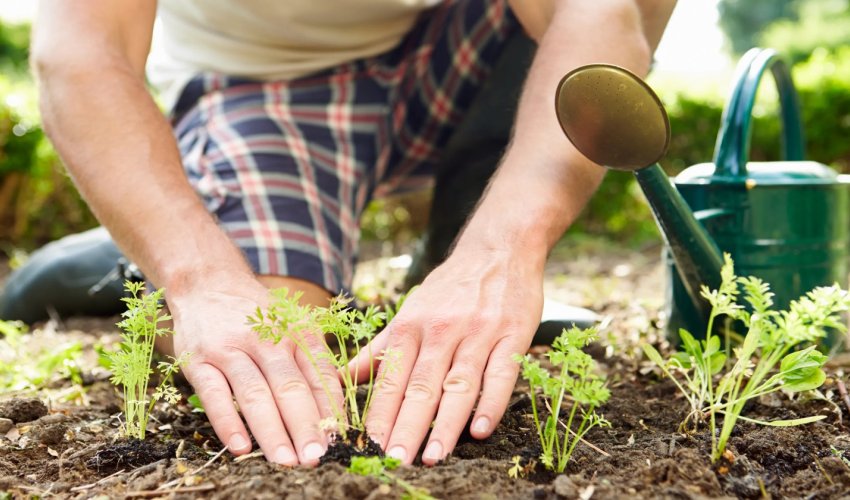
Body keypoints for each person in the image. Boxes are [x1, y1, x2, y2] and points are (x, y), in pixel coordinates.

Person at [26, 0, 675, 467]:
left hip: (461, 44)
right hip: (268, 81)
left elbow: (598, 16)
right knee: (282, 336)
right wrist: (201, 279)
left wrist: (501, 251)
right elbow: (81, 52)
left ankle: (455, 251)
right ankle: (157, 236)